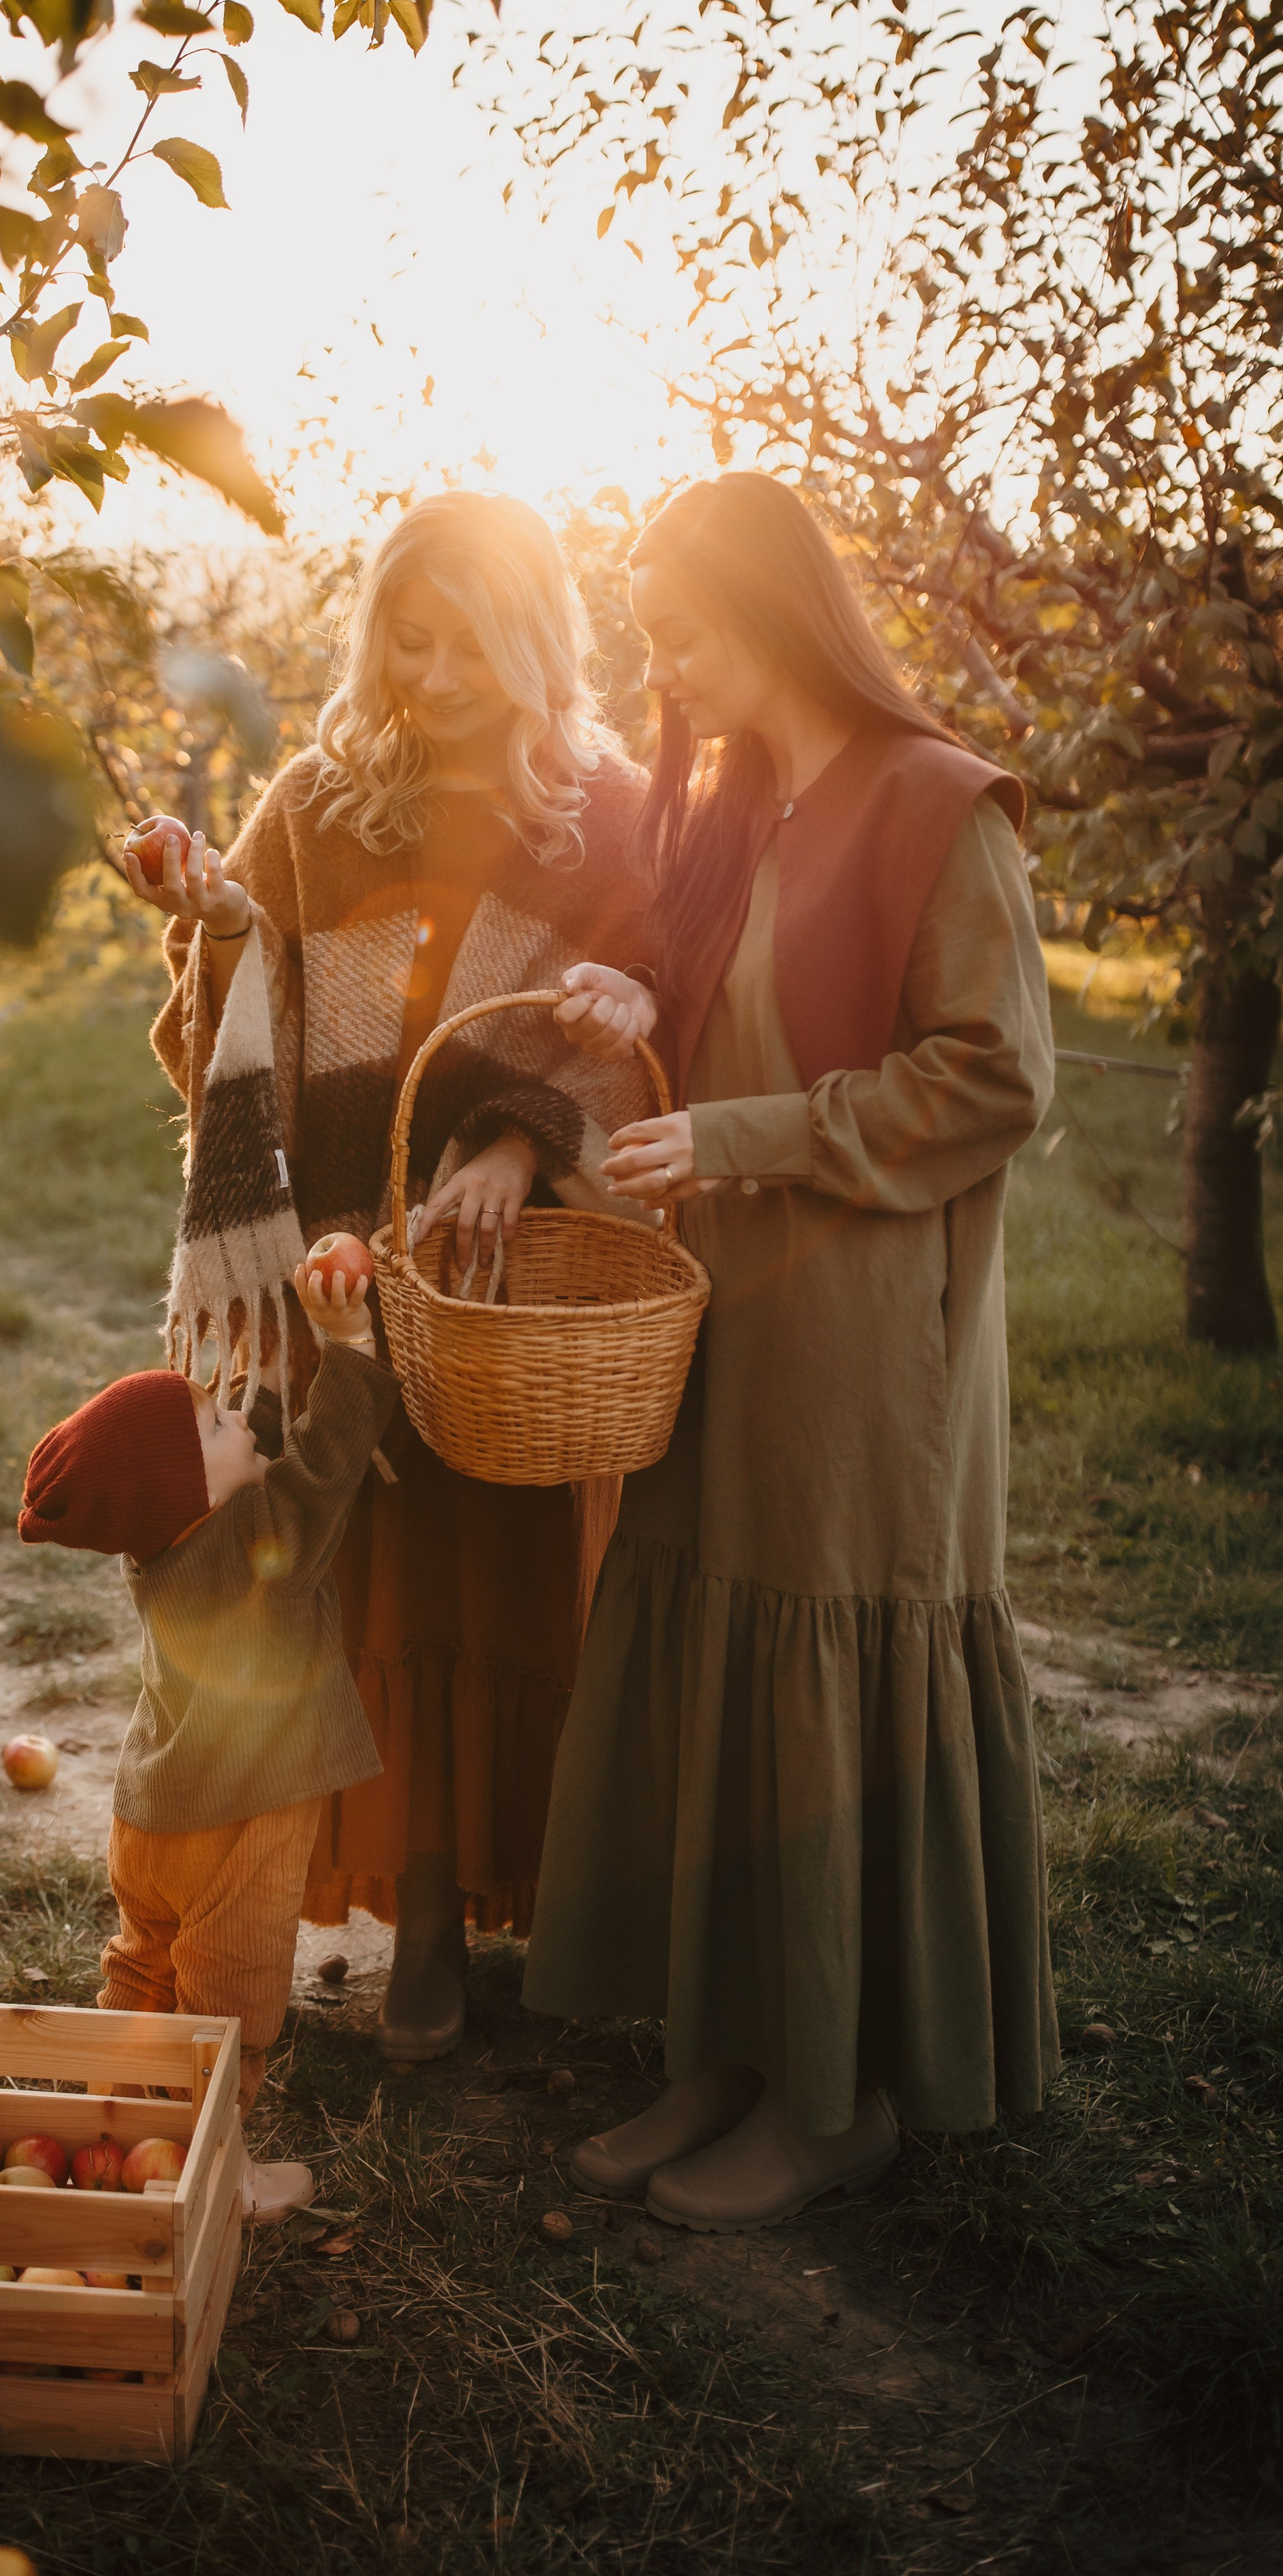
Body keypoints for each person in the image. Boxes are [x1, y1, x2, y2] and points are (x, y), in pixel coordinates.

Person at [527, 470, 1059, 2229]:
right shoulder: (740, 808)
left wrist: (754, 1138)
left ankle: (833, 2097)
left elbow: (998, 1075)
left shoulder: (936, 806)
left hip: (858, 1323)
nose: (662, 668)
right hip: (724, 1304)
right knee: (710, 1624)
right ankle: (731, 2046)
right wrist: (630, 1003)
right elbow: (715, 1021)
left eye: (681, 628)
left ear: (771, 606)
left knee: (811, 1642)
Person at [121, 491, 653, 2062]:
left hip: (503, 1276)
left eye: (459, 643)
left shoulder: (600, 814)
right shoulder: (321, 797)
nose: (424, 673)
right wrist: (208, 918)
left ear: (528, 636)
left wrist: (513, 1138)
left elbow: (629, 1008)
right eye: (399, 640)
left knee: (500, 1570)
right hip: (342, 1270)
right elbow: (246, 1008)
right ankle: (415, 1902)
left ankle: (528, 1895)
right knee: (377, 1574)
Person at [18, 1252, 400, 2222]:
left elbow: (250, 1463)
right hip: (242, 1822)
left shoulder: (161, 1551)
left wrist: (248, 1414)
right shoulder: (257, 1551)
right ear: (195, 1486)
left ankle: (106, 2121)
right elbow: (321, 1476)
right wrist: (349, 1353)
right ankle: (220, 2174)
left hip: (151, 1818)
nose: (243, 1417)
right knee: (233, 2007)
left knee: (143, 1966)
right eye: (222, 1422)